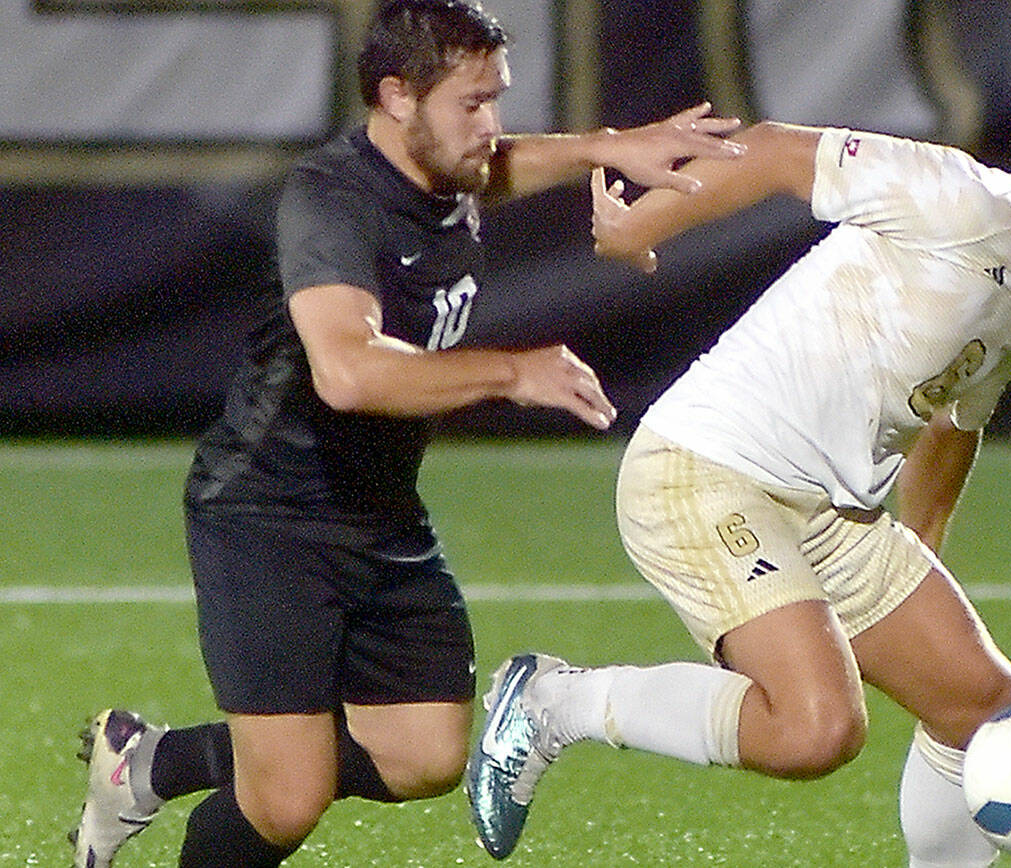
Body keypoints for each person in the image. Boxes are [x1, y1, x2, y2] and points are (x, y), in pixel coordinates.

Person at [467, 67, 1011, 865]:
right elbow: (771, 153)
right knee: (817, 728)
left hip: (832, 514)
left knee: (981, 706)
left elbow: (953, 417)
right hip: (709, 465)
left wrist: (923, 543)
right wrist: (639, 227)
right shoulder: (960, 200)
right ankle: (557, 703)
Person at [69, 2, 747, 865]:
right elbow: (346, 372)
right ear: (396, 97)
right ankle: (176, 781)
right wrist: (511, 371)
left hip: (380, 512)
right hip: (271, 515)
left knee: (425, 754)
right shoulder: (331, 202)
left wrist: (604, 146)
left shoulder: (443, 168)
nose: (492, 125)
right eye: (471, 103)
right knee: (287, 799)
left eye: (496, 97)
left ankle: (152, 761)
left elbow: (496, 167)